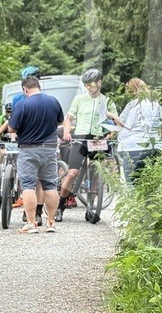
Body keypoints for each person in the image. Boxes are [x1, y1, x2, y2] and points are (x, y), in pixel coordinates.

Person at [57, 68, 125, 221]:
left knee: (95, 173)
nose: (89, 87)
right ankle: (60, 206)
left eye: (92, 84)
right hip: (81, 136)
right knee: (72, 173)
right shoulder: (79, 99)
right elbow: (69, 119)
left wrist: (110, 133)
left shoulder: (107, 101)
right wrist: (67, 131)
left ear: (99, 83)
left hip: (98, 138)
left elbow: (117, 124)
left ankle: (90, 206)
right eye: (86, 84)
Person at [8, 74, 64, 234]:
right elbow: (59, 121)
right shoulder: (53, 101)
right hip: (50, 149)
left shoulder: (22, 104)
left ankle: (31, 223)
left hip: (29, 149)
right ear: (38, 86)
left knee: (28, 186)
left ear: (25, 89)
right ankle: (51, 223)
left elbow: (12, 128)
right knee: (50, 185)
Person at [117, 77, 162, 185]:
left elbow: (126, 125)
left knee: (132, 183)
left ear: (133, 90)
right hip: (154, 147)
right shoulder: (156, 105)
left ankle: (135, 202)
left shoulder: (133, 105)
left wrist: (112, 116)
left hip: (133, 147)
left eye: (128, 89)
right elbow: (159, 125)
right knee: (149, 183)